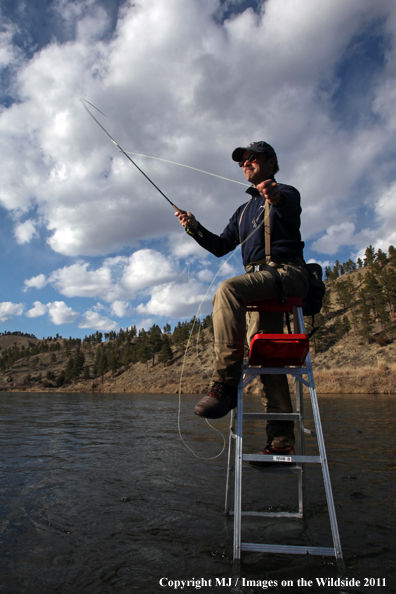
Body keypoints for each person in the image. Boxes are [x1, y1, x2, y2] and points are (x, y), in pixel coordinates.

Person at [175, 141, 309, 457]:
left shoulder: (286, 192)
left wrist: (273, 194)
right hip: (259, 285)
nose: (245, 163)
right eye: (241, 162)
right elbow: (221, 246)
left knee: (227, 289)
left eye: (252, 158)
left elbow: (286, 203)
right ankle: (281, 442)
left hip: (287, 274)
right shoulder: (242, 211)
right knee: (266, 359)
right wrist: (194, 228)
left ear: (271, 162)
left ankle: (224, 384)